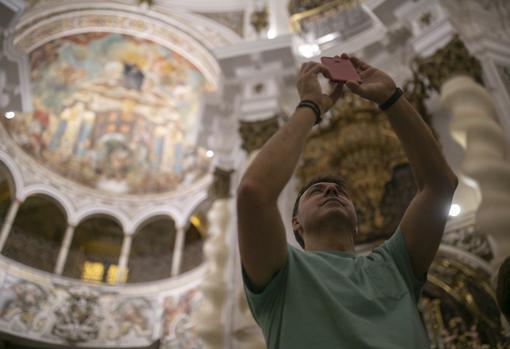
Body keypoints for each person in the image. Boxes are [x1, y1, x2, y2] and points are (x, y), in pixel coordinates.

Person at [236, 53, 458, 348]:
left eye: (340, 192)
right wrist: (312, 106)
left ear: (356, 222)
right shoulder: (282, 273)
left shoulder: (394, 266)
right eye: (317, 191)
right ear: (296, 224)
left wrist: (391, 98)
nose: (331, 190)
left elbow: (440, 185)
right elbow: (254, 192)